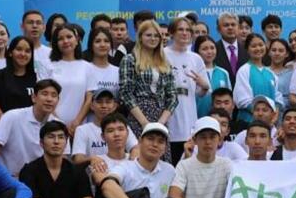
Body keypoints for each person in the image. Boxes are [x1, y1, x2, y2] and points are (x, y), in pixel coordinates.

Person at [119, 20, 179, 162]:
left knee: (161, 160)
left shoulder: (165, 63)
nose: (153, 39)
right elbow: (126, 93)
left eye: (156, 36)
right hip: (138, 116)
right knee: (140, 159)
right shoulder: (130, 59)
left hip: (161, 116)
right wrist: (145, 123)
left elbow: (172, 97)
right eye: (148, 35)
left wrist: (160, 123)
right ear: (140, 37)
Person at [0, 79, 68, 174]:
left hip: (40, 180)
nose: (49, 99)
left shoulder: (59, 125)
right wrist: (2, 177)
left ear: (58, 100)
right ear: (34, 98)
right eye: (44, 94)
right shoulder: (12, 117)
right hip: (9, 178)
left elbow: (63, 158)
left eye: (54, 95)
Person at [163, 17, 210, 164]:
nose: (185, 33)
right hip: (167, 121)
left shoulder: (196, 58)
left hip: (189, 122)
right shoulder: (162, 54)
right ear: (171, 33)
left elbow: (201, 92)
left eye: (188, 30)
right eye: (181, 29)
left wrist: (204, 85)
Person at [43, 25, 94, 135]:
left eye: (69, 37)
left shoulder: (87, 67)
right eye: (60, 39)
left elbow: (89, 99)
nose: (65, 41)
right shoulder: (48, 65)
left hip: (79, 127)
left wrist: (77, 122)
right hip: (52, 126)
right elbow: (44, 96)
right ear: (56, 43)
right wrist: (58, 122)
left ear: (77, 40)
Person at [72, 90, 138, 165]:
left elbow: (135, 148)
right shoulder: (82, 130)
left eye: (108, 102)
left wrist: (132, 161)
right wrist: (92, 159)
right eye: (99, 102)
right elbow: (78, 159)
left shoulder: (122, 127)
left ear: (115, 106)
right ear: (92, 106)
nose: (104, 106)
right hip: (94, 169)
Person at [232, 34, 279, 124]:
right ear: (247, 49)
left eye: (261, 45)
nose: (258, 48)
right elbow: (242, 100)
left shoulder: (271, 73)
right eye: (253, 46)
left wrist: (274, 113)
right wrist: (261, 114)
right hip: (248, 122)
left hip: (269, 123)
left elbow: (277, 97)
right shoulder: (244, 70)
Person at [0, 37, 37, 120]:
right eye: (19, 49)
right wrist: (7, 124)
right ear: (10, 52)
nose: (23, 54)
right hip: (5, 125)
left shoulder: (36, 77)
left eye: (27, 51)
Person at [85, 28, 122, 112]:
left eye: (106, 41)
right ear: (91, 45)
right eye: (97, 41)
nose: (102, 45)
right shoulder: (84, 69)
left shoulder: (118, 71)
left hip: (113, 119)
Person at [194, 35, 232, 117]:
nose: (209, 52)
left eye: (212, 48)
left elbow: (229, 98)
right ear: (197, 52)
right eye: (204, 49)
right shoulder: (193, 73)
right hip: (197, 117)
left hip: (219, 119)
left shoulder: (223, 73)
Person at [214, 13, 246, 86]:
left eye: (233, 25)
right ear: (218, 29)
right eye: (226, 25)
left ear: (238, 28)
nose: (230, 28)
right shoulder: (213, 50)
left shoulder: (247, 49)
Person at [266, 38, 295, 103]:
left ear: (287, 54)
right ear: (269, 52)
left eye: (281, 51)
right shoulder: (262, 72)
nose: (277, 53)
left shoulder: (292, 74)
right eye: (274, 50)